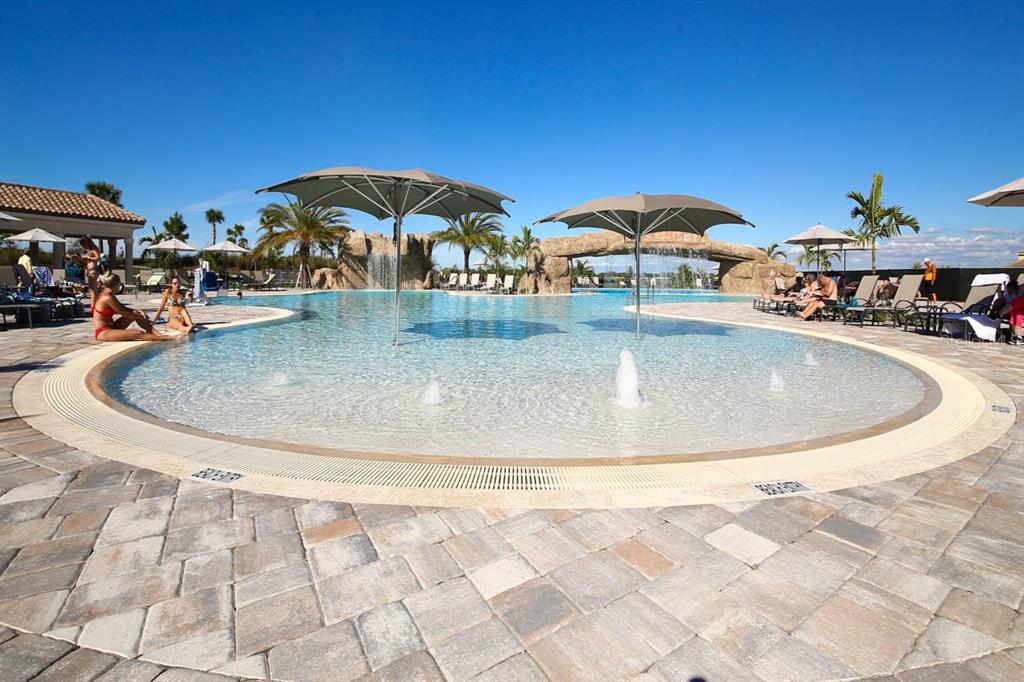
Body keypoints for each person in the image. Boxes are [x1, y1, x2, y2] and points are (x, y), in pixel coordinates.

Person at [92, 272, 169, 342]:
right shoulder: (107, 298)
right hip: (104, 332)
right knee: (139, 333)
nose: (120, 286)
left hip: (112, 327)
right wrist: (140, 316)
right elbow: (124, 313)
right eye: (120, 283)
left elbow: (123, 309)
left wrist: (139, 311)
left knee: (136, 313)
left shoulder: (110, 295)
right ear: (115, 284)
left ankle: (157, 334)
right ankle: (163, 338)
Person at [998, 279, 1023, 345]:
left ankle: (1018, 338)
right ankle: (1017, 337)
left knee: (1016, 315)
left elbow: (1007, 308)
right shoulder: (1019, 298)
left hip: (1014, 312)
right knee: (1016, 313)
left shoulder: (1018, 299)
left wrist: (999, 313)